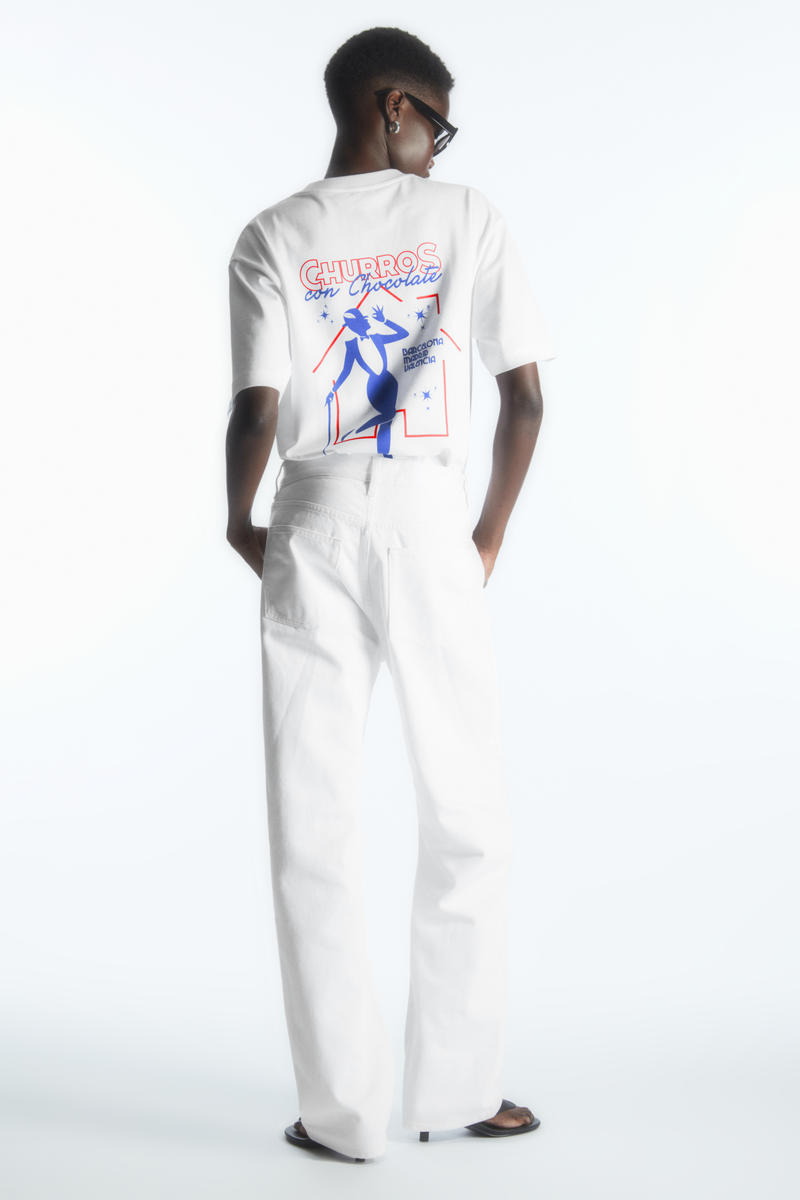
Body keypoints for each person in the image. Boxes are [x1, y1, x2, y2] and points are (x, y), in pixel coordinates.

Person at [225, 26, 556, 1164]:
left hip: (310, 512)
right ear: (396, 106)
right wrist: (487, 533)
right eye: (437, 125)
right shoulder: (466, 218)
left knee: (310, 818)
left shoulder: (271, 234)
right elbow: (524, 400)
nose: (439, 149)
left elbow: (255, 411)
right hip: (424, 516)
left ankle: (341, 1117)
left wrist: (238, 519)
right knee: (465, 805)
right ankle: (457, 1089)